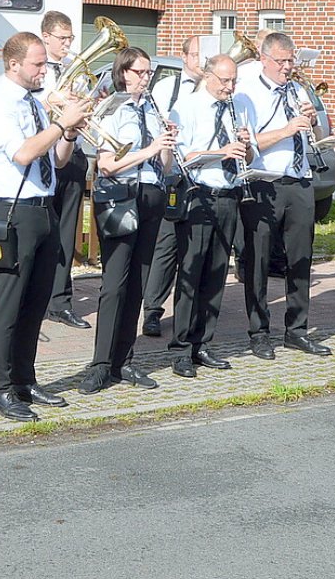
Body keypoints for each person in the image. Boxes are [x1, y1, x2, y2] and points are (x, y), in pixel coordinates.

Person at [0, 31, 89, 421]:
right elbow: (24, 152)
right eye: (37, 64)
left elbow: (56, 161)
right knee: (8, 305)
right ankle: (0, 389)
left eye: (44, 63)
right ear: (13, 65)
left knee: (36, 302)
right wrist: (62, 124)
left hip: (43, 208)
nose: (44, 70)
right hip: (12, 210)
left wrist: (70, 132)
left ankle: (25, 379)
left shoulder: (34, 104)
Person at [81, 48, 173, 394]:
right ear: (124, 73)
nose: (146, 78)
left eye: (149, 73)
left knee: (138, 282)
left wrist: (166, 144)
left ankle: (125, 360)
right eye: (141, 72)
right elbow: (107, 164)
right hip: (122, 197)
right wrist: (149, 150)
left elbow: (163, 166)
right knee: (115, 284)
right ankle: (100, 364)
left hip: (151, 195)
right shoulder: (113, 108)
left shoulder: (152, 107)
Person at [240, 31, 330, 360]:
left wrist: (313, 120)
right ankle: (259, 331)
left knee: (301, 257)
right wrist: (287, 130)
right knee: (259, 259)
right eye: (281, 61)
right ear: (264, 60)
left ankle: (297, 330)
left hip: (300, 179)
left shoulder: (297, 89)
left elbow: (318, 137)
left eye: (291, 60)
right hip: (266, 180)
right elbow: (248, 145)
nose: (288, 67)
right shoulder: (247, 94)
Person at [165, 52, 249, 377]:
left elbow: (245, 152)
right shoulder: (186, 107)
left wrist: (246, 145)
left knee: (216, 274)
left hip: (229, 193)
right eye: (225, 81)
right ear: (208, 76)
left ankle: (203, 342)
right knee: (191, 273)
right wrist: (221, 152)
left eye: (233, 81)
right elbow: (185, 157)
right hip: (199, 195)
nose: (230, 87)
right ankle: (182, 348)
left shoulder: (234, 108)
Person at [140, 35, 205, 338]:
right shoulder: (169, 87)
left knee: (196, 248)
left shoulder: (213, 92)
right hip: (175, 173)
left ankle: (191, 310)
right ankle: (152, 310)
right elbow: (155, 122)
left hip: (205, 176)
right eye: (196, 55)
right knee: (166, 246)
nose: (201, 61)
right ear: (184, 57)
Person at [39, 11, 92, 329]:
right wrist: (53, 100)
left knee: (66, 231)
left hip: (73, 153)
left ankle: (60, 300)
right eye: (63, 38)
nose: (69, 44)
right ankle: (36, 295)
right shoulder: (38, 69)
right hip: (44, 155)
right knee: (39, 230)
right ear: (46, 36)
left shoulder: (76, 70)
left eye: (71, 38)